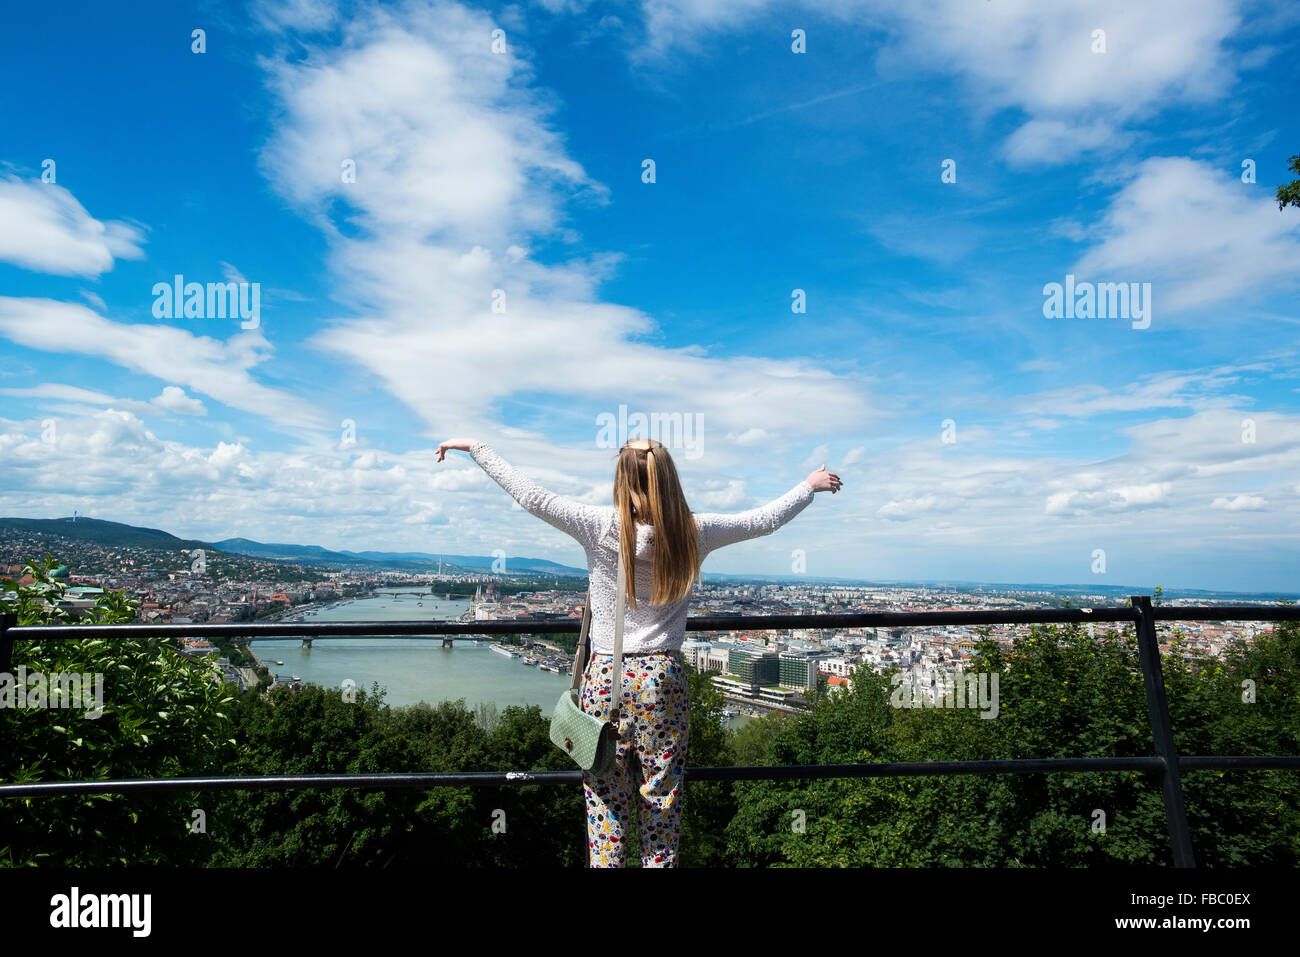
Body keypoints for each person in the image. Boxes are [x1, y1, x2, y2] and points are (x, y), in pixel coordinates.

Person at [436, 435, 842, 867]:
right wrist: (808, 486)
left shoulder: (598, 525)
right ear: (669, 479)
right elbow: (763, 521)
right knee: (661, 806)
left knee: (606, 806)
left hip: (605, 681)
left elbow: (530, 496)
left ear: (620, 479)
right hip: (662, 683)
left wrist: (475, 447)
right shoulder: (694, 531)